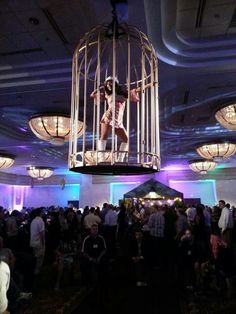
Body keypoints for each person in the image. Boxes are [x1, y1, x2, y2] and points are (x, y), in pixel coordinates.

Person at [90, 76, 144, 162]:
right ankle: (101, 158)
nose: (108, 85)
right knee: (104, 136)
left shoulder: (123, 94)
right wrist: (99, 88)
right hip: (108, 117)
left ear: (115, 84)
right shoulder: (107, 95)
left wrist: (149, 85)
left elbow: (136, 90)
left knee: (126, 140)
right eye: (107, 84)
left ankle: (120, 159)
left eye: (110, 82)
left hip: (118, 120)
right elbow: (92, 95)